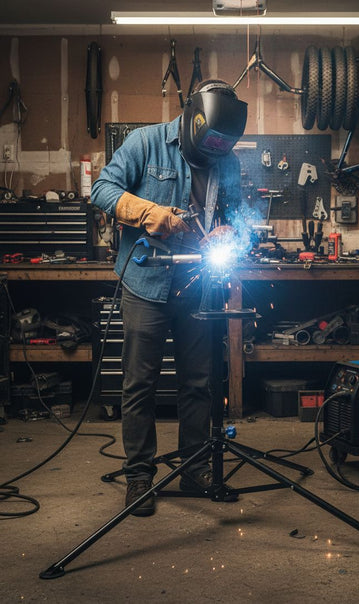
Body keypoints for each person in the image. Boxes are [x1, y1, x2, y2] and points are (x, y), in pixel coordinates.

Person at [91, 80, 248, 516]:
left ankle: (194, 466)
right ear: (192, 118)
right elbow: (101, 190)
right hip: (145, 282)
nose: (214, 155)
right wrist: (149, 212)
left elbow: (237, 214)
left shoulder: (228, 162)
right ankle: (140, 474)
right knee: (139, 384)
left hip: (198, 284)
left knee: (199, 382)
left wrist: (230, 230)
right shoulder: (145, 142)